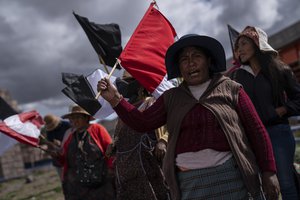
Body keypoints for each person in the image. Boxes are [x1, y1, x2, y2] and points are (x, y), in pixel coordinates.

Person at [97, 34, 280, 200]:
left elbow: (257, 131)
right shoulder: (171, 98)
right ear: (179, 67)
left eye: (196, 56)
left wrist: (269, 171)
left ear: (209, 61)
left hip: (232, 179)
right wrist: (115, 99)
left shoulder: (231, 89)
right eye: (184, 59)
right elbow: (142, 122)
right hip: (188, 184)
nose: (190, 63)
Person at [229, 26, 300, 200]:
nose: (239, 49)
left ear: (257, 44)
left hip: (278, 134)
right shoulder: (235, 78)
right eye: (237, 47)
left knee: (286, 184)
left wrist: (282, 110)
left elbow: (298, 98)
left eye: (244, 43)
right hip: (251, 140)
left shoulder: (279, 70)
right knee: (259, 189)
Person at [109, 71, 170, 200]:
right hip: (129, 175)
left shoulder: (153, 102)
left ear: (141, 85)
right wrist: (113, 146)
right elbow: (119, 136)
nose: (126, 86)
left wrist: (163, 140)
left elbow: (171, 125)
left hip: (150, 166)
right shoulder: (123, 112)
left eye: (130, 82)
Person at [50, 105, 115, 200]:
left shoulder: (97, 129)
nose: (74, 121)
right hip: (78, 186)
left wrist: (111, 169)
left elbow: (110, 150)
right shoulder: (71, 137)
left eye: (78, 117)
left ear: (86, 117)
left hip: (101, 181)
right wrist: (57, 156)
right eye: (72, 118)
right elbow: (65, 160)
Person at [40, 114, 71, 180]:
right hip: (58, 159)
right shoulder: (49, 132)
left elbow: (73, 138)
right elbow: (50, 146)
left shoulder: (67, 126)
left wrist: (61, 143)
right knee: (64, 181)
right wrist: (47, 149)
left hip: (70, 156)